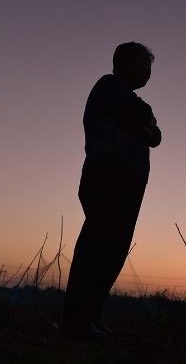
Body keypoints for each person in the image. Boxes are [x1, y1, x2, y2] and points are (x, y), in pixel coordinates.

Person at [63, 42, 161, 340]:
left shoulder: (125, 98)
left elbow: (156, 136)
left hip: (131, 180)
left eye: (149, 67)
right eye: (144, 65)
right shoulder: (109, 86)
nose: (148, 72)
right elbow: (143, 113)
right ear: (124, 63)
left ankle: (91, 318)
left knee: (115, 249)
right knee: (97, 244)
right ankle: (75, 322)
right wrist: (143, 121)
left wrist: (143, 125)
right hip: (107, 174)